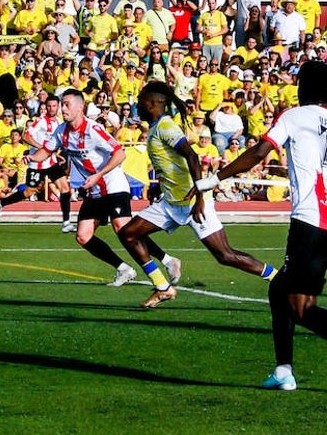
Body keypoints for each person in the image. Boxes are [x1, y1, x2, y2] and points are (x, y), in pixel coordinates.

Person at [212, 60, 327, 391]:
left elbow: (261, 151)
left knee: (301, 309)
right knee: (280, 289)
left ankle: (286, 370)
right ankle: (283, 370)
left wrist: (215, 178)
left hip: (309, 222)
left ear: (305, 89)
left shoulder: (294, 116)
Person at [117, 82, 277, 309]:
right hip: (171, 202)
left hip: (193, 202)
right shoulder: (155, 127)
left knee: (225, 255)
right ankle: (163, 287)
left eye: (141, 100)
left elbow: (192, 157)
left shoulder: (165, 126)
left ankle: (278, 278)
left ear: (152, 103)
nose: (137, 105)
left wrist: (201, 197)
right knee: (129, 233)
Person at [23, 88, 141, 285]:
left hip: (111, 183)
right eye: (62, 105)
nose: (63, 109)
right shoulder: (62, 131)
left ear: (80, 107)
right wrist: (32, 157)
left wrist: (99, 174)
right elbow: (46, 150)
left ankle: (162, 267)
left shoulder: (93, 129)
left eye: (67, 104)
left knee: (123, 229)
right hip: (93, 189)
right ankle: (124, 269)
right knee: (83, 236)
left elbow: (120, 154)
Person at [0, 95, 75, 232]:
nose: (51, 108)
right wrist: (42, 149)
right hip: (36, 163)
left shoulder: (59, 122)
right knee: (28, 192)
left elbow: (54, 143)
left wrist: (54, 154)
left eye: (54, 106)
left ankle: (66, 222)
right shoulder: (41, 121)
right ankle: (0, 202)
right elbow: (26, 136)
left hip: (51, 162)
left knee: (65, 188)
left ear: (58, 107)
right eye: (49, 106)